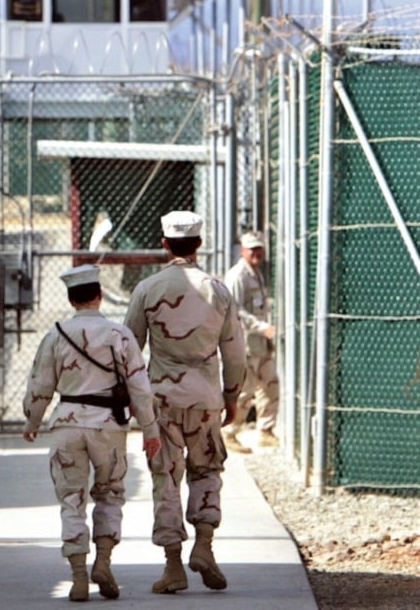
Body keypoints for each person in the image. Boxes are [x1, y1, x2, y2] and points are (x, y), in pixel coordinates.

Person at [123, 211, 246, 595]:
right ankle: (205, 546)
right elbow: (236, 352)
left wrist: (133, 402)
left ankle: (173, 565)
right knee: (207, 470)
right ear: (199, 244)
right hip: (206, 397)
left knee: (166, 476)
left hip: (161, 400)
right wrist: (232, 395)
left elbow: (129, 349)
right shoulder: (218, 289)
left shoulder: (148, 288)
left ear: (164, 244)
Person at [23, 263, 161, 603]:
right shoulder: (120, 335)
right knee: (110, 493)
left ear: (71, 299)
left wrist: (33, 422)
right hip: (108, 426)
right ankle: (103, 561)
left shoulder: (56, 334)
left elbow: (41, 386)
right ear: (99, 296)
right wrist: (150, 429)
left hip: (68, 425)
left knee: (71, 500)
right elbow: (140, 388)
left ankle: (78, 576)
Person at [222, 231, 281, 453]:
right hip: (246, 342)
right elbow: (235, 310)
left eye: (259, 249)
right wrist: (261, 326)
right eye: (252, 249)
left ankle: (266, 430)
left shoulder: (256, 272)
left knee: (271, 384)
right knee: (245, 391)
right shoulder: (238, 275)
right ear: (243, 251)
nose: (256, 253)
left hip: (260, 343)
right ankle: (229, 432)